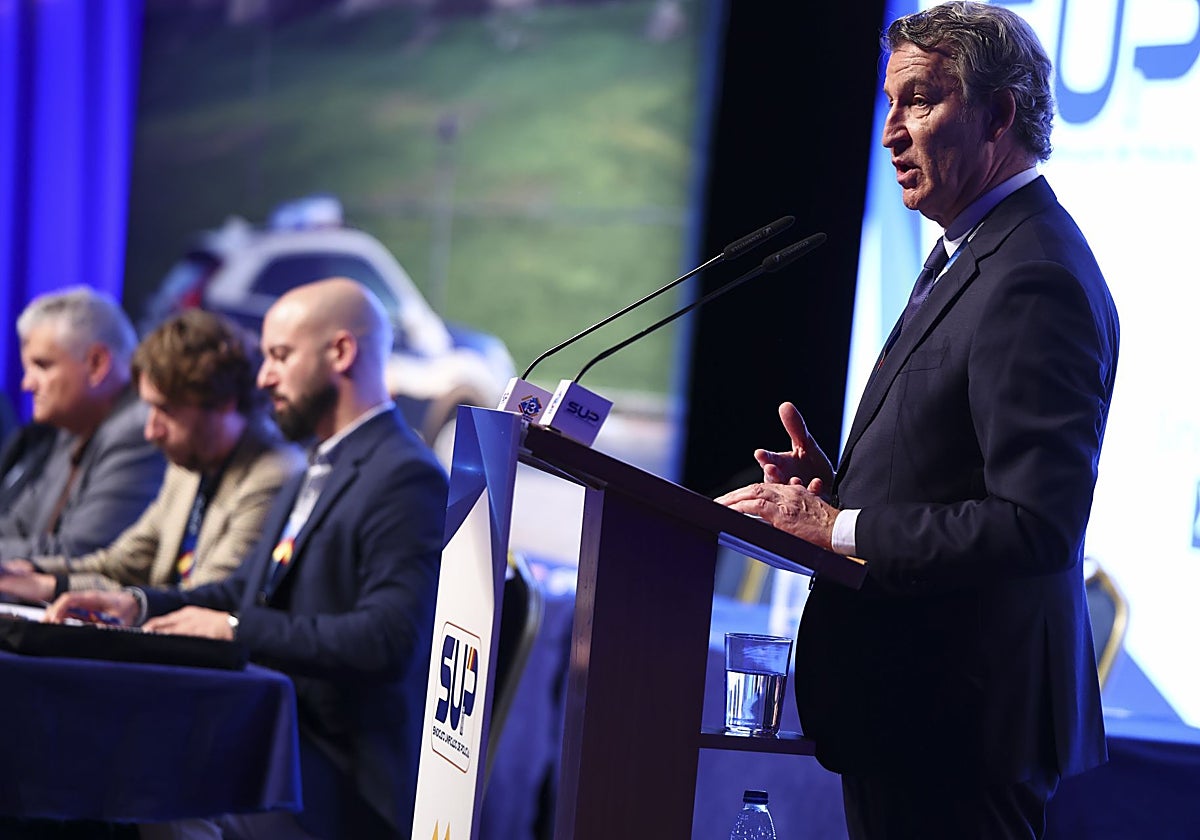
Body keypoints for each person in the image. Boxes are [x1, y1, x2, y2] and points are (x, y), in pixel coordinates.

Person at [717, 4, 1118, 838]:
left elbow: (1034, 524)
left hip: (962, 723)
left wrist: (839, 527)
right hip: (918, 713)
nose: (892, 132)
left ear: (998, 115)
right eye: (888, 105)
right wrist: (838, 488)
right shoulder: (974, 252)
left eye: (921, 102)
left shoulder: (1033, 276)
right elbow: (953, 465)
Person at [48, 278, 449, 840]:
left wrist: (234, 630)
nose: (263, 377)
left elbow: (386, 641)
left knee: (151, 792)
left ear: (341, 353)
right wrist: (137, 605)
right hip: (277, 743)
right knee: (104, 762)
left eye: (280, 357)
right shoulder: (318, 461)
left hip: (339, 782)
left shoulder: (405, 475)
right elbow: (243, 591)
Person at [0, 309, 305, 603]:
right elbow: (124, 562)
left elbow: (207, 597)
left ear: (223, 402)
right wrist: (39, 575)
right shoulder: (189, 465)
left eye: (166, 410)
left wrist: (65, 588)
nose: (151, 431)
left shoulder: (274, 475)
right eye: (150, 409)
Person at [0, 287, 165, 561]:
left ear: (97, 364)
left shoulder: (138, 432)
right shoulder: (72, 429)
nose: (27, 384)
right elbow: (18, 525)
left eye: (42, 366)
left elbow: (77, 553)